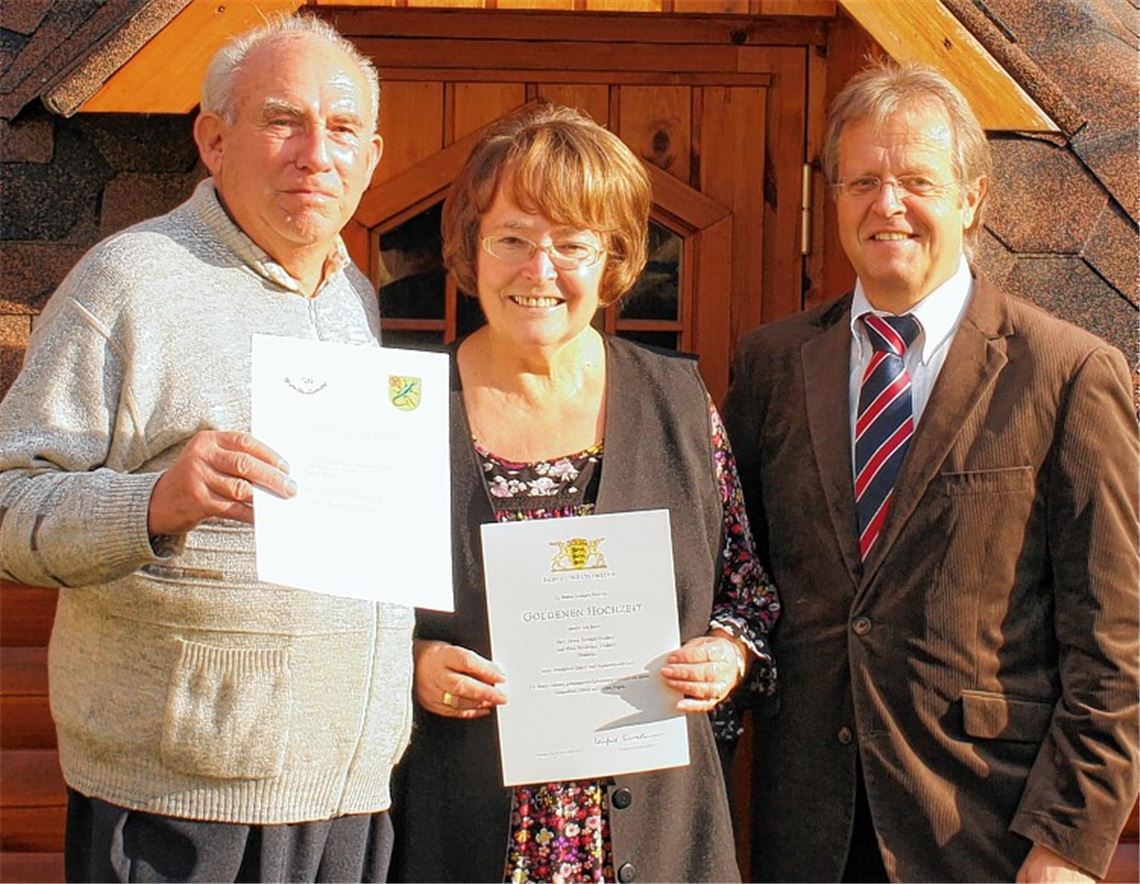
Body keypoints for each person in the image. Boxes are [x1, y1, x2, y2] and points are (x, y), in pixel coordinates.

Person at [0, 15, 410, 883]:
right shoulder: (129, 282)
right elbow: (9, 502)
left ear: (372, 156)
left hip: (347, 791)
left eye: (342, 129)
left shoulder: (355, 298)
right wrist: (155, 503)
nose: (316, 154)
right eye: (283, 120)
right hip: (181, 802)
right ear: (214, 141)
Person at [723, 61, 1139, 883]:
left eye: (916, 181)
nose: (887, 205)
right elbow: (733, 575)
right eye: (863, 182)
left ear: (972, 199)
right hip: (804, 828)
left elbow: (1116, 637)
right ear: (835, 197)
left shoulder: (1066, 374)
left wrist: (1067, 842)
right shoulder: (771, 364)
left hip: (984, 831)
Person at [388, 103, 780, 884]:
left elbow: (748, 594)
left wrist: (727, 654)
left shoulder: (677, 401)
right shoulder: (406, 405)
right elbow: (338, 618)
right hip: (459, 835)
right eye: (512, 239)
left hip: (657, 840)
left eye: (571, 244)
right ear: (470, 245)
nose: (539, 271)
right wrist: (412, 664)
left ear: (613, 260)